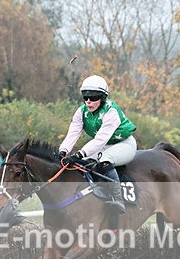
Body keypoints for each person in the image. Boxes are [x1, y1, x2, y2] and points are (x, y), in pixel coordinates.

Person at [57, 75, 137, 213]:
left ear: (103, 98)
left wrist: (78, 153)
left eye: (93, 97)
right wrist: (62, 151)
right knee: (83, 163)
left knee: (104, 160)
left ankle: (118, 200)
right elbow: (73, 133)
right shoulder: (81, 112)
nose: (88, 101)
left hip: (124, 144)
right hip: (104, 146)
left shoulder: (111, 111)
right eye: (85, 97)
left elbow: (100, 139)